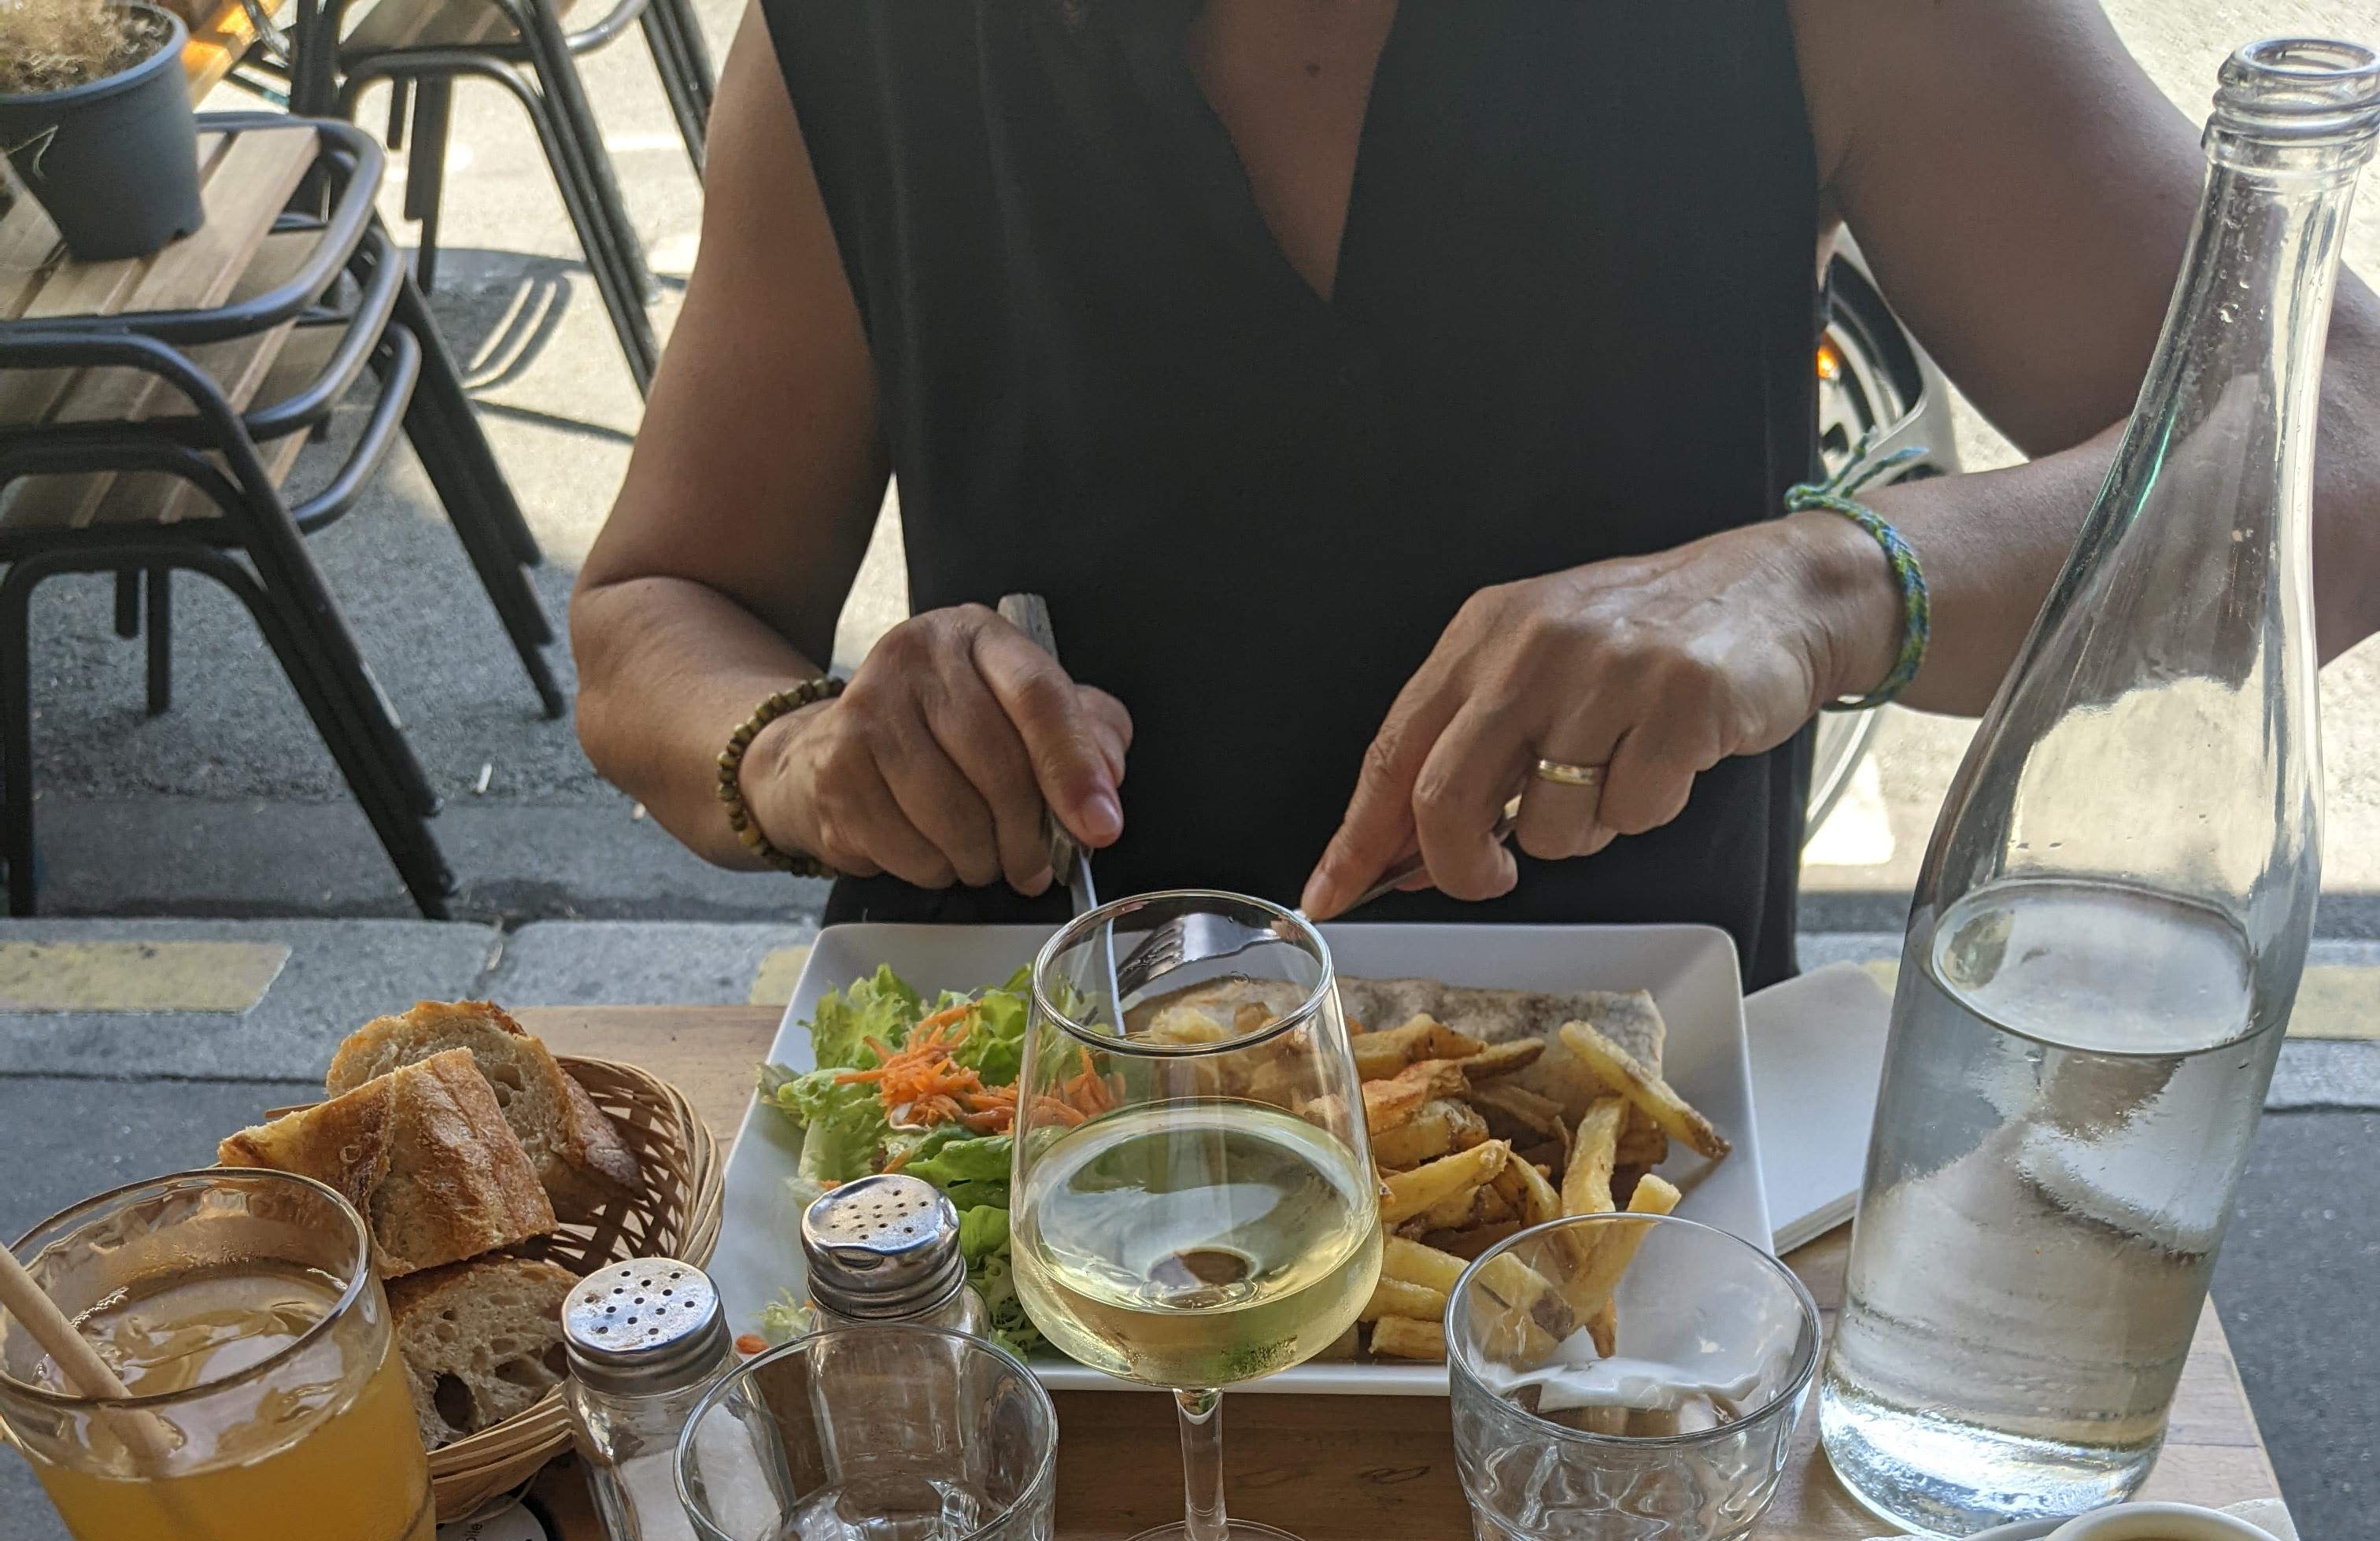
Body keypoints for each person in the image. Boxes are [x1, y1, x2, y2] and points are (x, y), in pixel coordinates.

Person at [571, 0, 2380, 989]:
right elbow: (657, 613)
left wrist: (1827, 584)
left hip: (1623, 1171)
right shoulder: (862, 39)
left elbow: (2340, 433)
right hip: (1018, 1139)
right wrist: (800, 753)